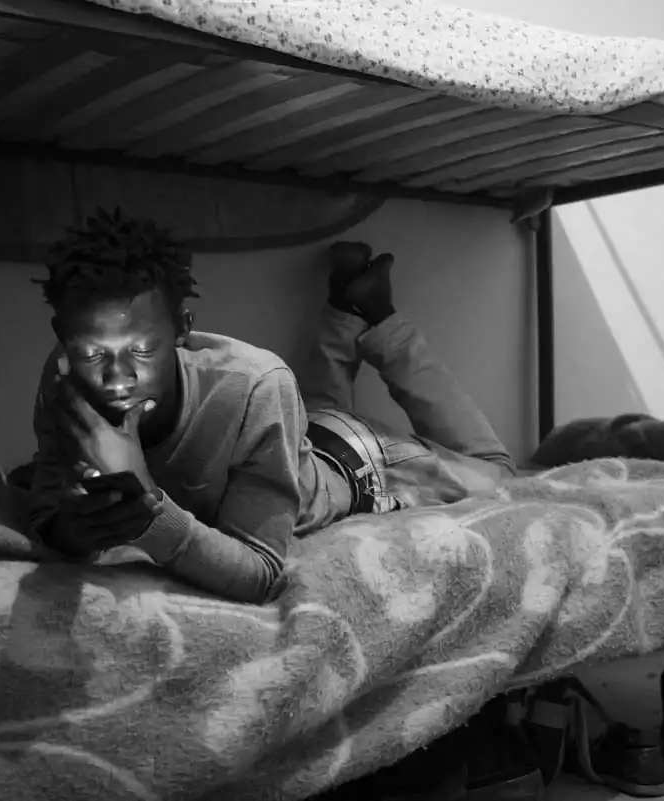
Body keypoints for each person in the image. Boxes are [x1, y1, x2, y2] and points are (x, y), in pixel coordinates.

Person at [28, 209, 517, 603]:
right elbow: (51, 519)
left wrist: (149, 509)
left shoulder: (254, 383)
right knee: (310, 410)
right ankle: (348, 304)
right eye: (91, 354)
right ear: (63, 339)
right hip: (299, 434)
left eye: (142, 351)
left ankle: (380, 316)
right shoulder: (64, 382)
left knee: (500, 473)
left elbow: (261, 572)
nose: (116, 378)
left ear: (183, 328)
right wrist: (73, 529)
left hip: (358, 460)